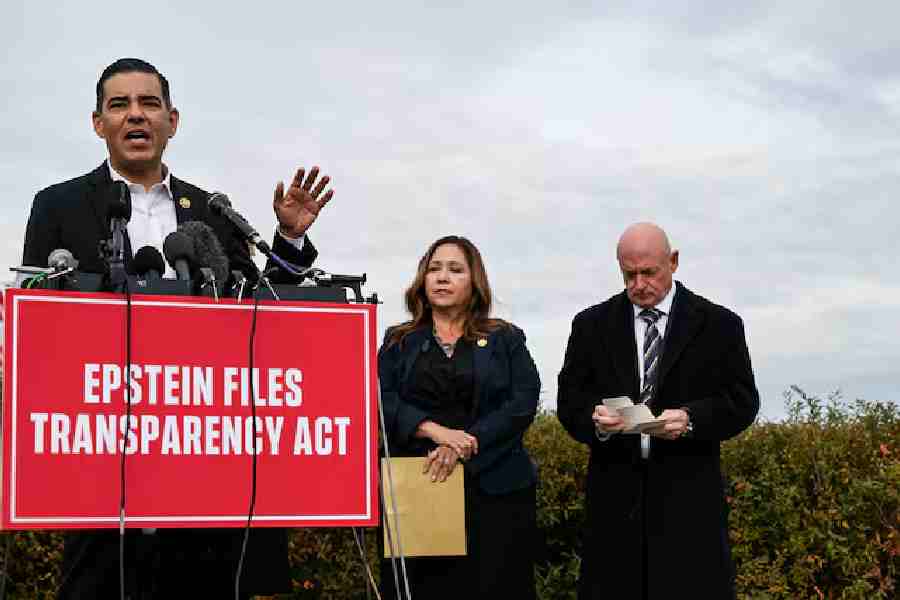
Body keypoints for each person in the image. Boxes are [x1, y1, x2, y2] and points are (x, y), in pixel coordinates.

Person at [20, 58, 335, 599]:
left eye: (149, 104)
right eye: (119, 105)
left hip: (200, 474)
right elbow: (40, 326)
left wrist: (287, 240)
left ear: (173, 120)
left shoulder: (212, 212)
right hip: (102, 472)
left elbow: (259, 314)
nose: (135, 116)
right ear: (98, 123)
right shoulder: (58, 206)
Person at [557, 222, 759, 600]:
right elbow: (569, 402)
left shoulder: (719, 325)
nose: (638, 284)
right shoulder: (590, 325)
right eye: (628, 274)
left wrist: (691, 418)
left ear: (674, 262)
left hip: (690, 506)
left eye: (648, 272)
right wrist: (596, 420)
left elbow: (742, 401)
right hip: (613, 507)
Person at [378, 235, 540, 600]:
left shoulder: (506, 339)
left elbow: (522, 402)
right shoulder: (397, 341)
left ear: (474, 281)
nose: (442, 277)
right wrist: (434, 432)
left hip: (496, 490)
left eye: (455, 269)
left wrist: (465, 443)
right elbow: (378, 398)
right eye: (434, 269)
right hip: (420, 488)